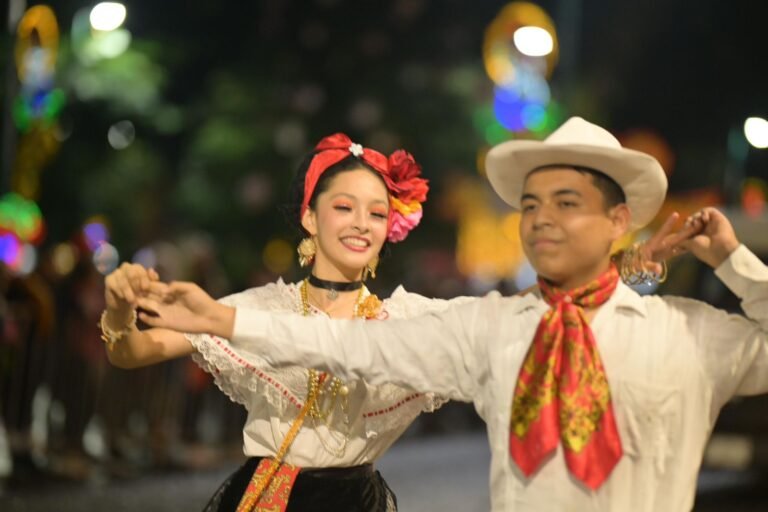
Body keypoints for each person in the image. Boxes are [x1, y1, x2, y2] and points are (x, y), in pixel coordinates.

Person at [140, 117, 768, 512]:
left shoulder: (691, 334)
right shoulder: (492, 329)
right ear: (309, 216)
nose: (542, 218)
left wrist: (737, 262)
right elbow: (348, 346)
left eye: (567, 201)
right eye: (529, 204)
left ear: (618, 222)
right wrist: (222, 321)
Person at [101, 133, 464, 511]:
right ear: (310, 216)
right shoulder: (263, 308)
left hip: (357, 502)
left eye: (376, 213)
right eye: (344, 207)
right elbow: (132, 352)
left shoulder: (402, 318)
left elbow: (492, 323)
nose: (361, 224)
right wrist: (118, 308)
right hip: (273, 499)